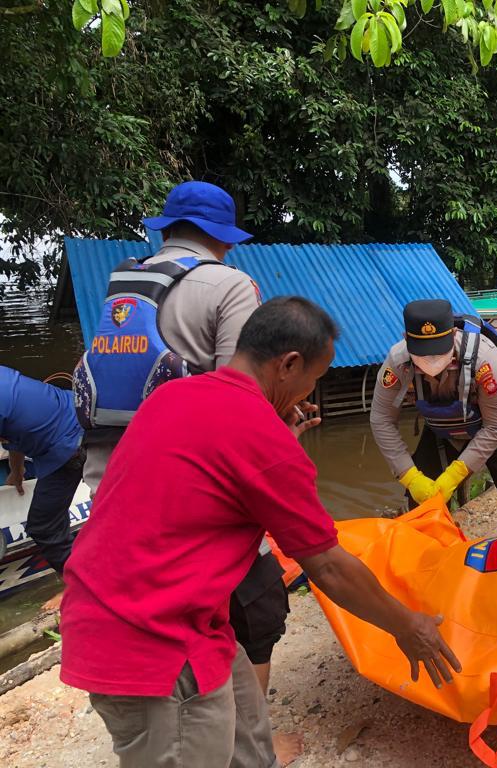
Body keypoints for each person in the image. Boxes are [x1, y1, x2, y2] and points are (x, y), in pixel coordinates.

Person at [59, 297, 462, 768]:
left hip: (128, 611)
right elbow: (328, 567)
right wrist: (407, 626)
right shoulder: (263, 440)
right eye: (315, 377)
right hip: (152, 640)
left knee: (249, 735)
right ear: (288, 364)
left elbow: (205, 486)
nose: (312, 391)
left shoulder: (172, 395)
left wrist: (275, 441)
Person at [72, 180, 296, 760]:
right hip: (190, 497)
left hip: (112, 487)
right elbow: (243, 398)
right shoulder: (230, 285)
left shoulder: (123, 286)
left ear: (167, 228)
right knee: (259, 605)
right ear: (225, 238)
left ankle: (226, 732)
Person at [370, 299, 497, 544]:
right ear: (406, 339)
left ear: (453, 334)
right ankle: (431, 555)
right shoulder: (398, 362)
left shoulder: (484, 358)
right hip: (443, 427)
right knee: (419, 501)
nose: (431, 361)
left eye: (439, 351)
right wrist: (409, 475)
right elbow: (381, 419)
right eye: (422, 353)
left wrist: (456, 473)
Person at [1, 367, 84, 578]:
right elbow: (13, 429)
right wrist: (17, 471)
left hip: (69, 442)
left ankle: (85, 584)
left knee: (44, 527)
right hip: (75, 412)